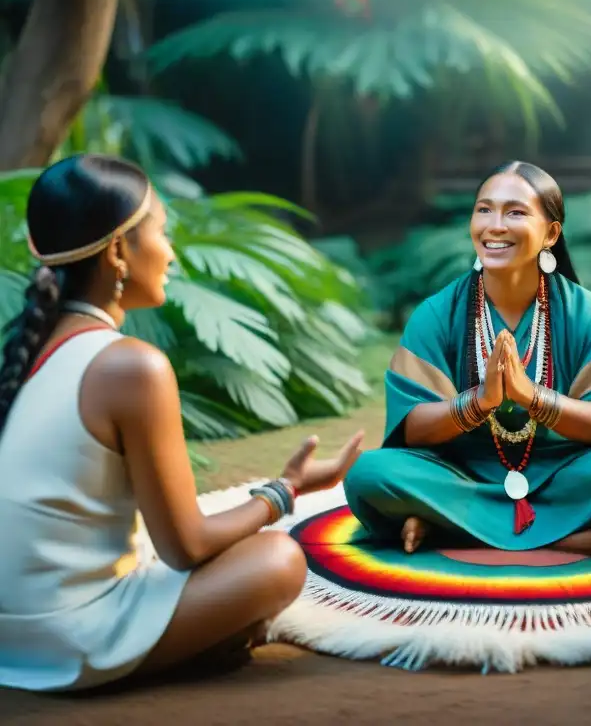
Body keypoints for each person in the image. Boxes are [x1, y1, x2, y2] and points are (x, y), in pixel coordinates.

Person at [0, 154, 363, 692]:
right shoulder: (131, 366)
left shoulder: (27, 351)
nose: (170, 253)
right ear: (120, 251)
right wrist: (283, 492)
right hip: (71, 638)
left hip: (10, 635)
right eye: (162, 233)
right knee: (279, 559)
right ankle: (179, 652)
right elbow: (186, 546)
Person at [343, 161, 591, 561]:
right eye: (484, 209)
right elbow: (413, 430)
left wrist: (531, 396)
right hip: (460, 475)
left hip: (563, 472)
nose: (494, 225)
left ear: (551, 233)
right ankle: (569, 535)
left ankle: (447, 529)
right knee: (370, 475)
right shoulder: (436, 314)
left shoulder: (587, 312)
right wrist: (479, 402)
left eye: (515, 212)